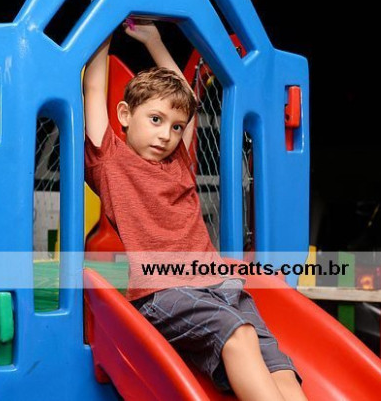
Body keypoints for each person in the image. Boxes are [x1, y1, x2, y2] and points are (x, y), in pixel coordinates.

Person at [83, 20, 307, 401]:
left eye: (176, 128)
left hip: (221, 285)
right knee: (237, 335)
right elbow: (93, 87)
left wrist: (155, 40)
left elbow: (187, 98)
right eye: (155, 120)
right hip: (165, 292)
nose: (166, 135)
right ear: (124, 114)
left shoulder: (179, 162)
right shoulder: (111, 161)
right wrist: (102, 27)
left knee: (277, 364)